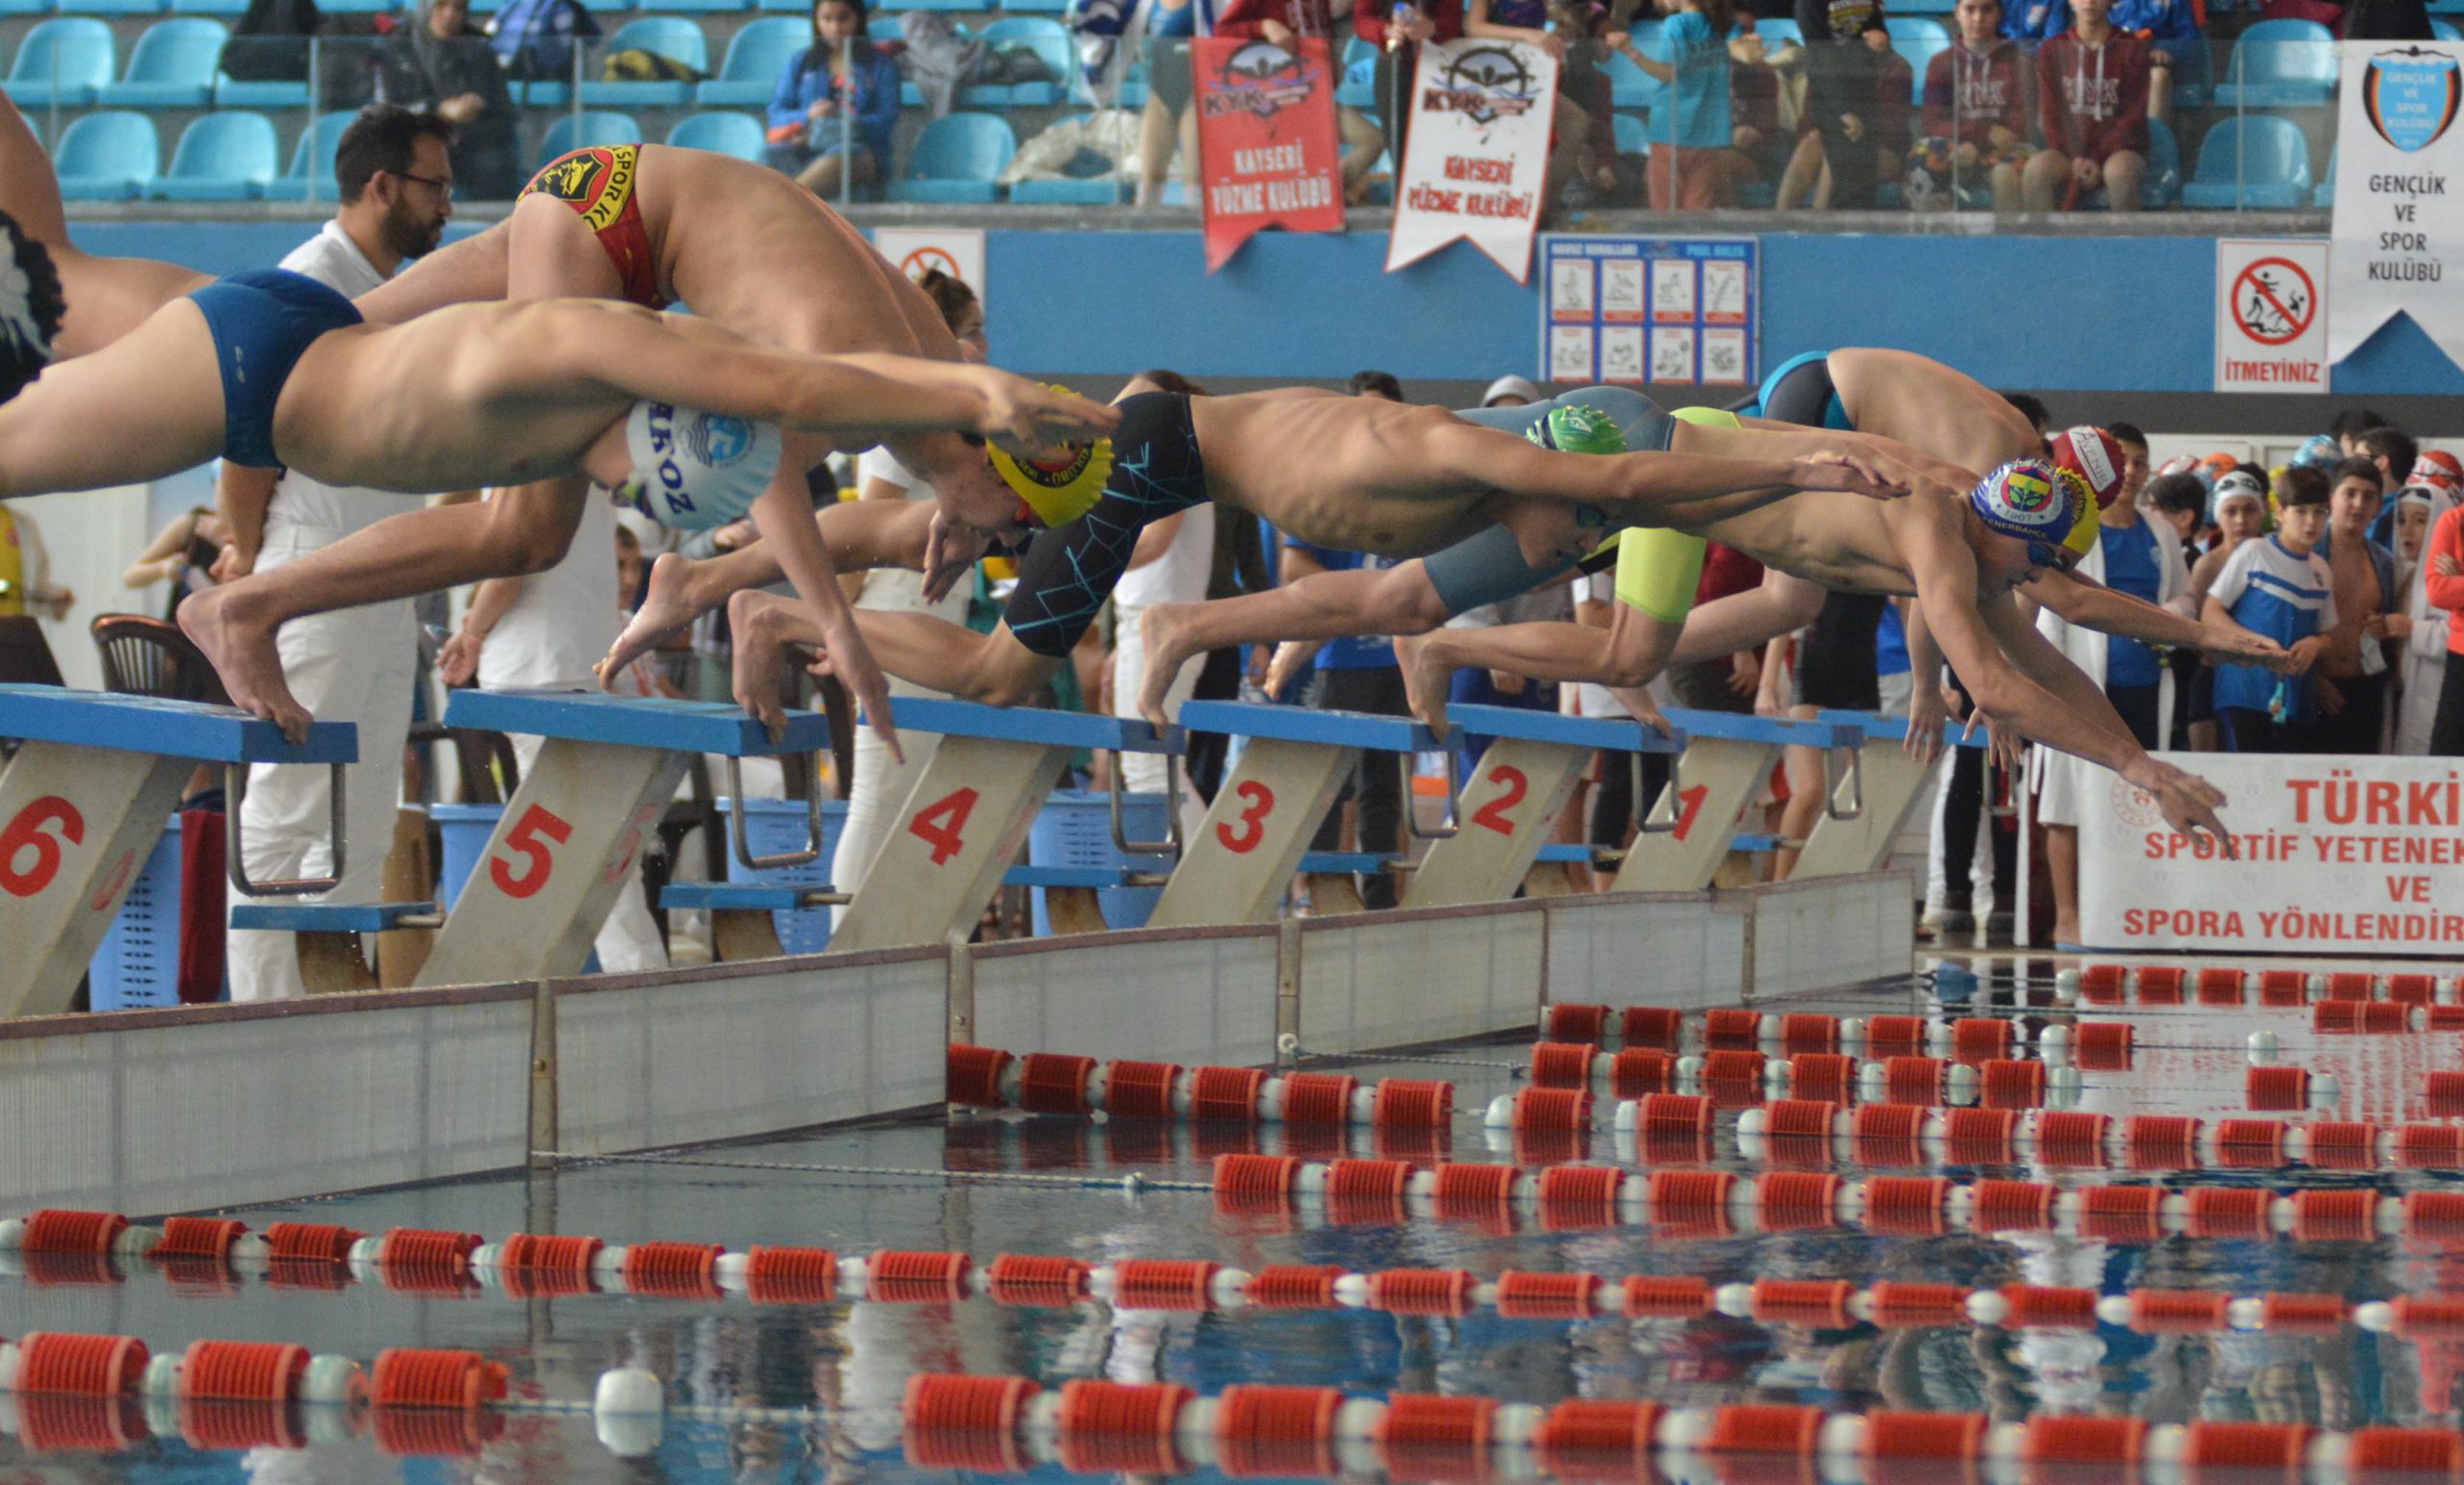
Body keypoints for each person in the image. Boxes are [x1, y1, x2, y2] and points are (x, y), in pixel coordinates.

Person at [612, 383, 1911, 737]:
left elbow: (1400, 599)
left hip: (1165, 436)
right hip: (1150, 449)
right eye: (1570, 535)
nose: (1569, 547)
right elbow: (1632, 477)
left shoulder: (1477, 514)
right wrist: (1796, 466)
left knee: (940, 552)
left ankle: (743, 592)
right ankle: (767, 612)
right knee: (999, 664)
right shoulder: (1471, 451)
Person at [221, 105, 459, 1003]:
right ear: (381, 186)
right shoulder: (305, 285)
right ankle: (256, 1024)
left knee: (357, 823)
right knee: (288, 814)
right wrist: (252, 566)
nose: (448, 204)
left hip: (384, 574)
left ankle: (326, 1021)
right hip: (313, 568)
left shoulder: (405, 292)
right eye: (435, 185)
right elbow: (243, 449)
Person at [2029, 422, 2183, 947]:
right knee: (2067, 801)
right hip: (2076, 681)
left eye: (2141, 463)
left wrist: (2172, 620)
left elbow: (2182, 599)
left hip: (2142, 685)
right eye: (2126, 463)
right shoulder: (2070, 524)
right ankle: (2068, 916)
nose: (2133, 474)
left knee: (2136, 800)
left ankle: (2129, 906)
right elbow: (2057, 606)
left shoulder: (2160, 531)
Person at [1109, 371, 1219, 835]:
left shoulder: (1172, 457)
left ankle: (1210, 885)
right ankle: (1206, 885)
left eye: (1133, 403)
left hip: (1161, 629)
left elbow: (1153, 545)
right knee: (1154, 767)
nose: (1118, 412)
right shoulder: (1169, 458)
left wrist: (1078, 561)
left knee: (1152, 769)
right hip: (1148, 625)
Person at [2203, 466, 2334, 754]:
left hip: (2295, 700)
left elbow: (2327, 636)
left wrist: (2315, 643)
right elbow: (2211, 613)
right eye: (2301, 511)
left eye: (2320, 511)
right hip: (2243, 693)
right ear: (2280, 512)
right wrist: (2256, 642)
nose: (2311, 521)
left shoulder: (2321, 569)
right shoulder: (2254, 552)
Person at [1213, 0, 1393, 202]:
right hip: (1273, 101)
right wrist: (1265, 26)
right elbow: (1222, 31)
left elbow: (1319, 38)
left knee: (1372, 139)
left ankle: (1328, 195)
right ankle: (1325, 198)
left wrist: (1332, 67)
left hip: (1314, 97)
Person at [377, 0, 522, 200]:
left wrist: (479, 106)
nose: (449, 14)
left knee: (494, 162)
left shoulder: (479, 47)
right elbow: (392, 110)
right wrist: (440, 109)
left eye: (458, 8)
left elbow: (504, 111)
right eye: (441, 6)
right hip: (417, 138)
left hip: (471, 142)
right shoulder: (399, 47)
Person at [1604, 0, 1737, 210]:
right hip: (1709, 133)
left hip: (1671, 130)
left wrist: (1629, 51)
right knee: (1697, 215)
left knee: (1665, 213)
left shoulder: (1677, 23)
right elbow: (1745, 52)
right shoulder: (1726, 24)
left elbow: (1668, 72)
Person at [766, 0, 904, 198]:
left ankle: (785, 202)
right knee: (770, 154)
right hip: (808, 147)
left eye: (843, 18)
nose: (835, 28)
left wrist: (841, 124)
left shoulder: (882, 66)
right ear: (816, 21)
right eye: (827, 19)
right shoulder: (801, 62)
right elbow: (777, 113)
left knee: (844, 154)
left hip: (862, 152)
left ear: (858, 18)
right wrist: (808, 116)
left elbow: (886, 120)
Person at [2022, 0, 2147, 213]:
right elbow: (2050, 115)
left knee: (2121, 172)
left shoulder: (2132, 47)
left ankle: (2125, 244)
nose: (2089, 2)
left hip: (2119, 151)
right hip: (2068, 153)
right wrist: (2075, 157)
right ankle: (2043, 245)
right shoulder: (2052, 49)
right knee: (2036, 170)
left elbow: (2132, 116)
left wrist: (2098, 157)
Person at [1906, 0, 2031, 213]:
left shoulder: (2019, 61)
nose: (1978, 18)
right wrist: (1977, 136)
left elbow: (2019, 126)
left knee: (2008, 170)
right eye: (1970, 9)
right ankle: (1929, 240)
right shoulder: (1941, 62)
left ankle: (2008, 243)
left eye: (1987, 9)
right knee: (1923, 154)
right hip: (1959, 146)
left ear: (1999, 13)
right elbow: (1932, 123)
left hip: (2005, 148)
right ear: (1957, 13)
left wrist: (1979, 143)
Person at [1780, 0, 1906, 209]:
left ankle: (1847, 234)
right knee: (1828, 161)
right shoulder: (1810, 5)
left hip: (1866, 99)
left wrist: (1881, 42)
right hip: (1833, 99)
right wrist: (1842, 110)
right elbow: (1819, 54)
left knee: (1856, 182)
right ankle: (1796, 230)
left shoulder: (1897, 69)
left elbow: (1880, 39)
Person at [2310, 455, 2398, 754]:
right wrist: (2314, 680)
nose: (2358, 504)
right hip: (2314, 686)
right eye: (2350, 494)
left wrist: (2382, 626)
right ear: (2332, 498)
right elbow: (2289, 625)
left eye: (2368, 496)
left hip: (2366, 687)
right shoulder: (2308, 555)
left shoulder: (2384, 562)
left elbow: (2390, 626)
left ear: (2378, 506)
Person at [124, 506, 227, 619]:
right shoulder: (192, 526)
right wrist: (163, 568)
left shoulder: (247, 536)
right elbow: (130, 577)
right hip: (181, 630)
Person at [2107, 0, 2201, 122]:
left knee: (2158, 77)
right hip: (2117, 65)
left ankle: (2154, 138)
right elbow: (2095, 35)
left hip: (2157, 67)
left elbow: (2190, 40)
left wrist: (2163, 50)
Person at [2424, 499, 2464, 755]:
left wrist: (2459, 580)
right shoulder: (2453, 521)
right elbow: (2438, 592)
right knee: (2446, 761)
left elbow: (2449, 591)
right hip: (2460, 659)